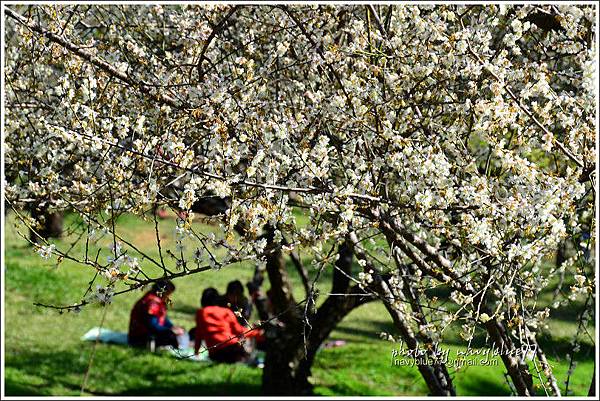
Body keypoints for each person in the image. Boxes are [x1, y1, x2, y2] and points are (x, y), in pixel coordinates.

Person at [195, 287, 263, 363]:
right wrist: (257, 333)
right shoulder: (226, 312)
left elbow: (198, 334)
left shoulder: (201, 313)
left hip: (215, 353)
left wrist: (196, 352)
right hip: (232, 347)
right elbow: (239, 331)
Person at [128, 279, 186, 349]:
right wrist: (171, 331)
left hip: (149, 332)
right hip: (140, 337)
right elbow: (152, 325)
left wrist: (172, 327)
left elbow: (163, 318)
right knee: (172, 337)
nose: (169, 297)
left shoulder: (158, 300)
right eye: (169, 294)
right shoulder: (152, 303)